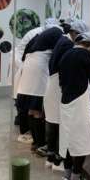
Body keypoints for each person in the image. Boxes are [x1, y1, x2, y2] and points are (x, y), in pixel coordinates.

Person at [58, 32, 90, 180]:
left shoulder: (66, 54)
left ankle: (67, 176)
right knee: (81, 141)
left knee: (68, 140)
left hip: (65, 102)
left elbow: (62, 83)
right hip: (78, 104)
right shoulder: (87, 55)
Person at [44, 19, 89, 170]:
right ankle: (58, 161)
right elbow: (67, 69)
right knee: (60, 125)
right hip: (57, 87)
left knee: (53, 123)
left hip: (53, 85)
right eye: (81, 36)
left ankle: (52, 158)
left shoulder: (63, 41)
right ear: (74, 33)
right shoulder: (68, 45)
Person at [16, 19, 63, 153]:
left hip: (28, 72)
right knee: (37, 112)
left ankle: (36, 143)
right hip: (38, 74)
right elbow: (57, 56)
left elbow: (24, 54)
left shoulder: (38, 37)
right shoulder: (57, 32)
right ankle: (41, 143)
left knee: (31, 111)